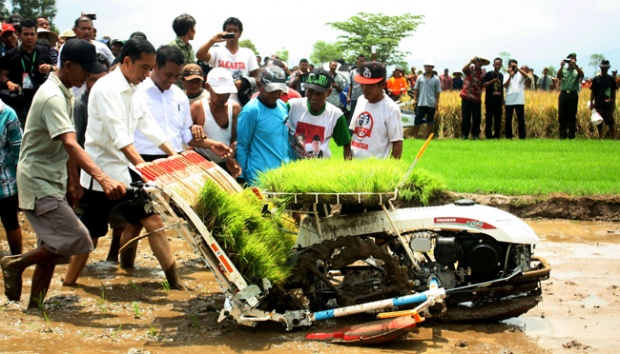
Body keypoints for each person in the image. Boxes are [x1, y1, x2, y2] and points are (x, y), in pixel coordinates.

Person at [0, 39, 125, 308]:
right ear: (68, 66)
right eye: (85, 70)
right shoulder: (53, 97)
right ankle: (15, 262)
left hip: (52, 179)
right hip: (38, 181)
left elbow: (63, 145)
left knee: (51, 246)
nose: (88, 75)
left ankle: (35, 307)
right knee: (77, 238)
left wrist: (73, 182)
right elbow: (71, 142)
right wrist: (102, 178)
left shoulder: (65, 91)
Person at [63, 38, 190, 289]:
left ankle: (175, 283)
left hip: (126, 170)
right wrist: (145, 167)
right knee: (92, 234)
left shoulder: (136, 90)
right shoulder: (105, 88)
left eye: (151, 68)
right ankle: (69, 282)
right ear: (127, 61)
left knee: (153, 221)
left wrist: (173, 154)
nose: (148, 73)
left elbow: (147, 124)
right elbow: (118, 135)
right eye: (144, 67)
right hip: (102, 174)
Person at [236, 65, 290, 185]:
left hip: (282, 176)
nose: (276, 94)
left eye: (279, 90)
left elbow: (285, 140)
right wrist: (242, 177)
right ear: (259, 85)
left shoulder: (282, 106)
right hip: (259, 178)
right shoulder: (251, 111)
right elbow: (242, 146)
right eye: (271, 90)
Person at [286, 68, 351, 160]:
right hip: (293, 167)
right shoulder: (292, 106)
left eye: (319, 94)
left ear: (329, 92)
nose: (314, 97)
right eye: (310, 92)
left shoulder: (335, 115)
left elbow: (346, 144)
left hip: (320, 169)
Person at [1, 19, 55, 128]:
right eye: (26, 34)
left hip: (42, 98)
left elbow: (56, 69)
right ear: (19, 35)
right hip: (20, 101)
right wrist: (8, 83)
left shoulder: (43, 51)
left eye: (32, 34)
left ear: (36, 35)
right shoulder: (11, 54)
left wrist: (50, 67)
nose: (29, 37)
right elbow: (2, 75)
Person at [196, 17, 259, 106]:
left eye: (235, 30)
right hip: (218, 103)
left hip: (241, 102)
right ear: (224, 32)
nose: (232, 33)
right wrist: (212, 41)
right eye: (229, 30)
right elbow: (200, 55)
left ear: (240, 33)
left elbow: (257, 78)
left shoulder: (248, 54)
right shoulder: (217, 51)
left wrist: (244, 83)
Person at [191, 67, 242, 177]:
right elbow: (185, 137)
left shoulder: (234, 108)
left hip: (225, 166)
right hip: (201, 166)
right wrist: (193, 128)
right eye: (219, 93)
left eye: (227, 93)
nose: (223, 97)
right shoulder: (197, 108)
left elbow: (235, 140)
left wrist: (230, 157)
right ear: (207, 87)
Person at [349, 61, 403, 159]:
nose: (365, 89)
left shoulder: (391, 109)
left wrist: (391, 171)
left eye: (370, 85)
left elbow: (397, 144)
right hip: (355, 167)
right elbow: (353, 132)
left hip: (376, 169)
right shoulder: (361, 100)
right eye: (362, 84)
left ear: (383, 85)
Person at [0, 98, 22, 256]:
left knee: (11, 223)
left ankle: (17, 262)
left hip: (4, 183)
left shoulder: (7, 114)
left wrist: (22, 185)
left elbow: (19, 151)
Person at [556, 53, 584, 139]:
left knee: (572, 116)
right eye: (569, 60)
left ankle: (572, 135)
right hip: (564, 94)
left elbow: (582, 75)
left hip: (573, 94)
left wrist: (575, 66)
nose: (570, 61)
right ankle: (562, 135)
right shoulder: (564, 70)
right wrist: (561, 66)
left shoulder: (577, 70)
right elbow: (558, 76)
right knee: (562, 115)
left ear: (575, 60)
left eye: (572, 59)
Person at [460, 56, 488, 140]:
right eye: (477, 62)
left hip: (477, 97)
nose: (479, 63)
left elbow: (483, 84)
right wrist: (470, 62)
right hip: (466, 96)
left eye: (481, 62)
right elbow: (463, 70)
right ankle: (465, 134)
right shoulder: (470, 69)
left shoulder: (483, 73)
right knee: (466, 117)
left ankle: (475, 134)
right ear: (475, 62)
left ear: (483, 64)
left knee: (476, 118)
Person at [412, 59, 441, 139]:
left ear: (432, 68)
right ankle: (415, 136)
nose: (427, 68)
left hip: (431, 103)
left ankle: (427, 136)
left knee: (430, 119)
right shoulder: (420, 78)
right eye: (426, 66)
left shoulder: (436, 79)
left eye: (429, 67)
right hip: (421, 102)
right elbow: (416, 89)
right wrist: (415, 99)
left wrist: (437, 102)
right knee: (417, 119)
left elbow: (437, 92)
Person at [590, 60, 618, 140]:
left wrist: (613, 103)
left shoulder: (611, 79)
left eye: (606, 68)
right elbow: (593, 91)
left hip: (608, 103)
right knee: (599, 122)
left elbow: (613, 91)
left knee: (611, 122)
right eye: (603, 68)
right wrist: (591, 102)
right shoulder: (596, 79)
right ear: (600, 68)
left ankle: (613, 138)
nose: (604, 69)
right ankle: (600, 137)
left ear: (608, 68)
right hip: (598, 103)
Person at [503, 59, 530, 139]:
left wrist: (518, 69)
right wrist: (510, 75)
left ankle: (522, 137)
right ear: (508, 67)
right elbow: (505, 85)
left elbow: (527, 76)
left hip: (519, 100)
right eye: (511, 66)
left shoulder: (520, 75)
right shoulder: (505, 75)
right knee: (508, 120)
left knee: (521, 120)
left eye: (514, 66)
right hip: (509, 100)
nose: (513, 67)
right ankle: (508, 137)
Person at [482, 58, 504, 139]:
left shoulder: (501, 75)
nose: (497, 65)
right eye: (496, 64)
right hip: (490, 100)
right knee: (489, 119)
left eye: (499, 64)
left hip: (498, 101)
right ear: (493, 65)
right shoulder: (489, 74)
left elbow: (501, 88)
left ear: (501, 65)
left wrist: (502, 98)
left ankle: (497, 135)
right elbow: (484, 84)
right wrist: (492, 81)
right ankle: (488, 135)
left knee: (498, 119)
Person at [347, 54, 366, 124]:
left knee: (362, 115)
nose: (361, 63)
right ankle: (349, 133)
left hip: (364, 98)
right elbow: (350, 85)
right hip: (354, 97)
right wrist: (348, 96)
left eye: (363, 61)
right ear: (357, 62)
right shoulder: (353, 72)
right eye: (360, 61)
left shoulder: (367, 72)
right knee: (352, 115)